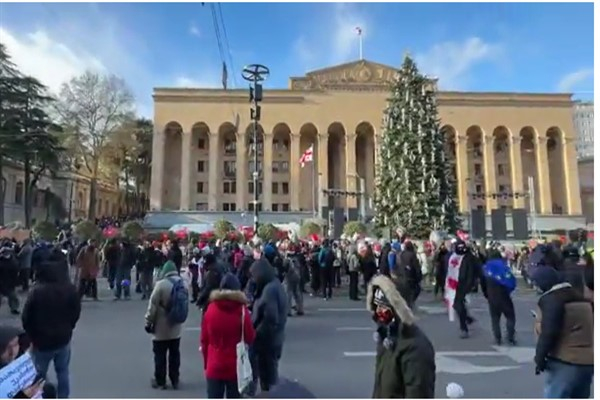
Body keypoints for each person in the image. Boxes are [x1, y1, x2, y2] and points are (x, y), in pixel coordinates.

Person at [367, 274, 436, 398]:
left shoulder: (415, 348)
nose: (378, 312)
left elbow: (418, 393)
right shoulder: (387, 338)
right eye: (375, 305)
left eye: (383, 306)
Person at [531, 267, 594, 398]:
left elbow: (549, 331)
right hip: (587, 362)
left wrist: (539, 358)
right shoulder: (581, 298)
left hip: (565, 361)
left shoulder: (552, 299)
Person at [21, 263, 81, 399]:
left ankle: (39, 395)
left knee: (39, 372)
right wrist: (69, 327)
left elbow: (26, 316)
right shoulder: (69, 289)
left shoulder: (37, 291)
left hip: (41, 340)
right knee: (63, 371)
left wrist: (31, 335)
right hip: (63, 338)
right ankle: (63, 396)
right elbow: (76, 312)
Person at [201, 273, 256, 398]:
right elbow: (250, 337)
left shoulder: (210, 309)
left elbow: (204, 340)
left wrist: (206, 363)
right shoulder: (242, 311)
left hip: (214, 363)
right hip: (235, 366)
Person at [144, 261, 185, 390]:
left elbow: (153, 306)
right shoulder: (182, 284)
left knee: (160, 355)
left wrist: (148, 321)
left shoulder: (160, 285)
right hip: (176, 326)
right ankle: (175, 379)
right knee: (174, 355)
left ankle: (160, 380)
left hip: (161, 327)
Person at [250, 257, 288, 392]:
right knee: (270, 374)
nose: (253, 279)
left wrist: (257, 334)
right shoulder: (275, 284)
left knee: (268, 376)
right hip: (275, 338)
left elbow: (270, 318)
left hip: (267, 340)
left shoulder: (269, 290)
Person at [482, 250, 517, 345]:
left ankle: (497, 338)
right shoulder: (504, 268)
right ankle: (510, 337)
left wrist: (487, 295)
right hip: (504, 296)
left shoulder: (485, 268)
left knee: (495, 318)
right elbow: (512, 282)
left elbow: (483, 284)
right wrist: (508, 290)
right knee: (510, 316)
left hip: (492, 296)